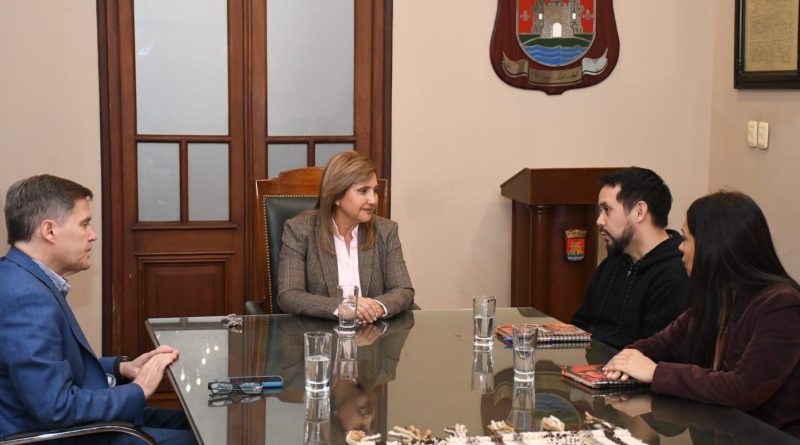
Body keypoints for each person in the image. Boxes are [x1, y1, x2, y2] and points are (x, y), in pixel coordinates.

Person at [0, 174, 196, 444]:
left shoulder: (19, 277)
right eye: (84, 224)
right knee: (210, 437)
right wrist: (140, 389)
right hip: (59, 436)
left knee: (195, 424)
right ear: (49, 231)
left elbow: (49, 368)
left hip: (66, 423)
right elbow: (57, 409)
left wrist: (121, 368)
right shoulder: (26, 298)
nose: (92, 235)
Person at [603, 191, 800, 437]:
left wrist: (655, 372)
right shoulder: (717, 298)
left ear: (713, 246)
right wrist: (627, 360)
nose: (680, 247)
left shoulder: (781, 305)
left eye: (686, 239)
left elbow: (743, 389)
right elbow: (663, 344)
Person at [277, 151, 414, 321]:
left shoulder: (386, 230)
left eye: (375, 191)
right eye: (363, 191)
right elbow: (289, 295)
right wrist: (342, 307)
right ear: (336, 196)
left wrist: (376, 307)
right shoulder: (299, 230)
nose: (373, 200)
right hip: (321, 333)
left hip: (374, 332)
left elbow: (403, 289)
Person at [572, 167, 688, 349]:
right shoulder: (611, 264)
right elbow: (580, 325)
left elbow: (655, 352)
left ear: (639, 212)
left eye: (607, 209)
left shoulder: (678, 273)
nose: (599, 220)